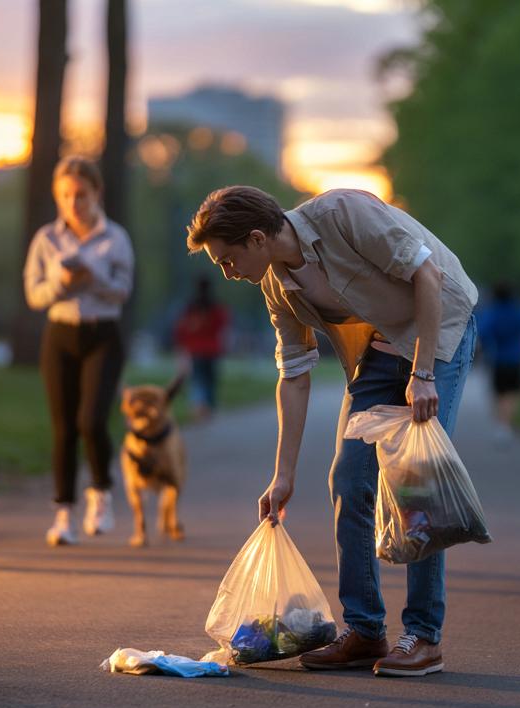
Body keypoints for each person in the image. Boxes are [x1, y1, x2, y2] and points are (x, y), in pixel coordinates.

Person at [187, 186, 478, 677]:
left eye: (227, 259)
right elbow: (295, 375)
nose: (226, 271)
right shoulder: (277, 287)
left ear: (257, 238)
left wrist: (423, 373)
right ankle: (365, 630)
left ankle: (425, 637)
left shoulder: (345, 214)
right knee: (348, 481)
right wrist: (283, 476)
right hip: (380, 355)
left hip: (439, 331)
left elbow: (428, 274)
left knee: (418, 483)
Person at [24, 156, 135, 546]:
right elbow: (34, 295)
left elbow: (122, 291)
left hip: (103, 334)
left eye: (82, 195)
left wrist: (93, 273)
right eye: (66, 196)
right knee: (63, 428)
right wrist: (61, 282)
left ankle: (101, 493)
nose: (74, 203)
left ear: (96, 193)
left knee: (91, 420)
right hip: (60, 334)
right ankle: (62, 515)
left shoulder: (115, 238)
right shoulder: (47, 239)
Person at [475, 282, 520, 440]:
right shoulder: (519, 311)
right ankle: (505, 424)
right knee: (513, 392)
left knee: (498, 391)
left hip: (498, 358)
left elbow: (483, 332)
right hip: (517, 357)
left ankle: (501, 423)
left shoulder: (493, 312)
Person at [172, 277, 230, 421]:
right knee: (210, 379)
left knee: (197, 379)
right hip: (212, 349)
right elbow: (223, 325)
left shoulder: (190, 308)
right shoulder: (216, 307)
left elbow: (181, 329)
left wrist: (181, 345)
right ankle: (209, 407)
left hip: (194, 349)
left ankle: (198, 406)